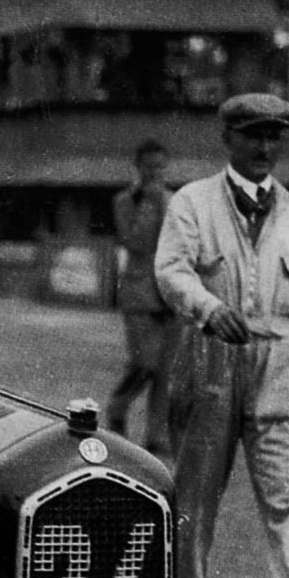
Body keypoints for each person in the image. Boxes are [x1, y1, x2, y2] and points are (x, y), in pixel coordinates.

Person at [154, 93, 289, 578]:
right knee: (195, 496)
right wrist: (208, 309)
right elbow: (170, 271)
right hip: (210, 361)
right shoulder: (193, 203)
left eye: (273, 137)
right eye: (253, 135)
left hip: (281, 370)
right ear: (227, 139)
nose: (264, 147)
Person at [105, 138, 179, 460]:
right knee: (144, 362)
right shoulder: (125, 201)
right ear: (137, 167)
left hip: (170, 294)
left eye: (160, 167)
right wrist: (149, 204)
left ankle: (156, 435)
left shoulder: (175, 201)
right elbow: (134, 241)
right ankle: (117, 408)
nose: (155, 173)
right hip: (139, 295)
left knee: (165, 371)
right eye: (149, 167)